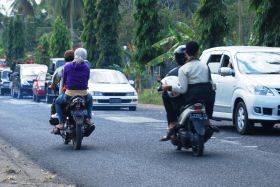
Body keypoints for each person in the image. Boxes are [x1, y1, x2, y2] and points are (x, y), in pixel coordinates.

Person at [160, 41, 219, 141]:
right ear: (198, 52)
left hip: (191, 99)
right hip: (206, 97)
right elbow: (212, 84)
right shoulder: (205, 66)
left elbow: (183, 90)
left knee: (166, 95)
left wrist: (169, 88)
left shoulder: (183, 69)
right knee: (212, 93)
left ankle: (172, 124)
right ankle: (208, 120)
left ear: (186, 53)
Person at [52, 47, 94, 134]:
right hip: (84, 94)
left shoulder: (66, 66)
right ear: (85, 56)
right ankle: (88, 118)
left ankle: (61, 123)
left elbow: (65, 79)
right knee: (90, 99)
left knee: (57, 102)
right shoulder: (87, 67)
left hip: (69, 94)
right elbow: (87, 78)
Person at [161, 45, 187, 140]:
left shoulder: (175, 71)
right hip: (198, 97)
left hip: (182, 99)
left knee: (165, 94)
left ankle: (172, 123)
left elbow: (164, 84)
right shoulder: (201, 66)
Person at [50, 50, 74, 115]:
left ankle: (61, 121)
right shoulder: (80, 68)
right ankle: (88, 119)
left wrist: (52, 87)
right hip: (81, 94)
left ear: (64, 59)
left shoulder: (62, 69)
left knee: (57, 102)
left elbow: (54, 82)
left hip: (66, 94)